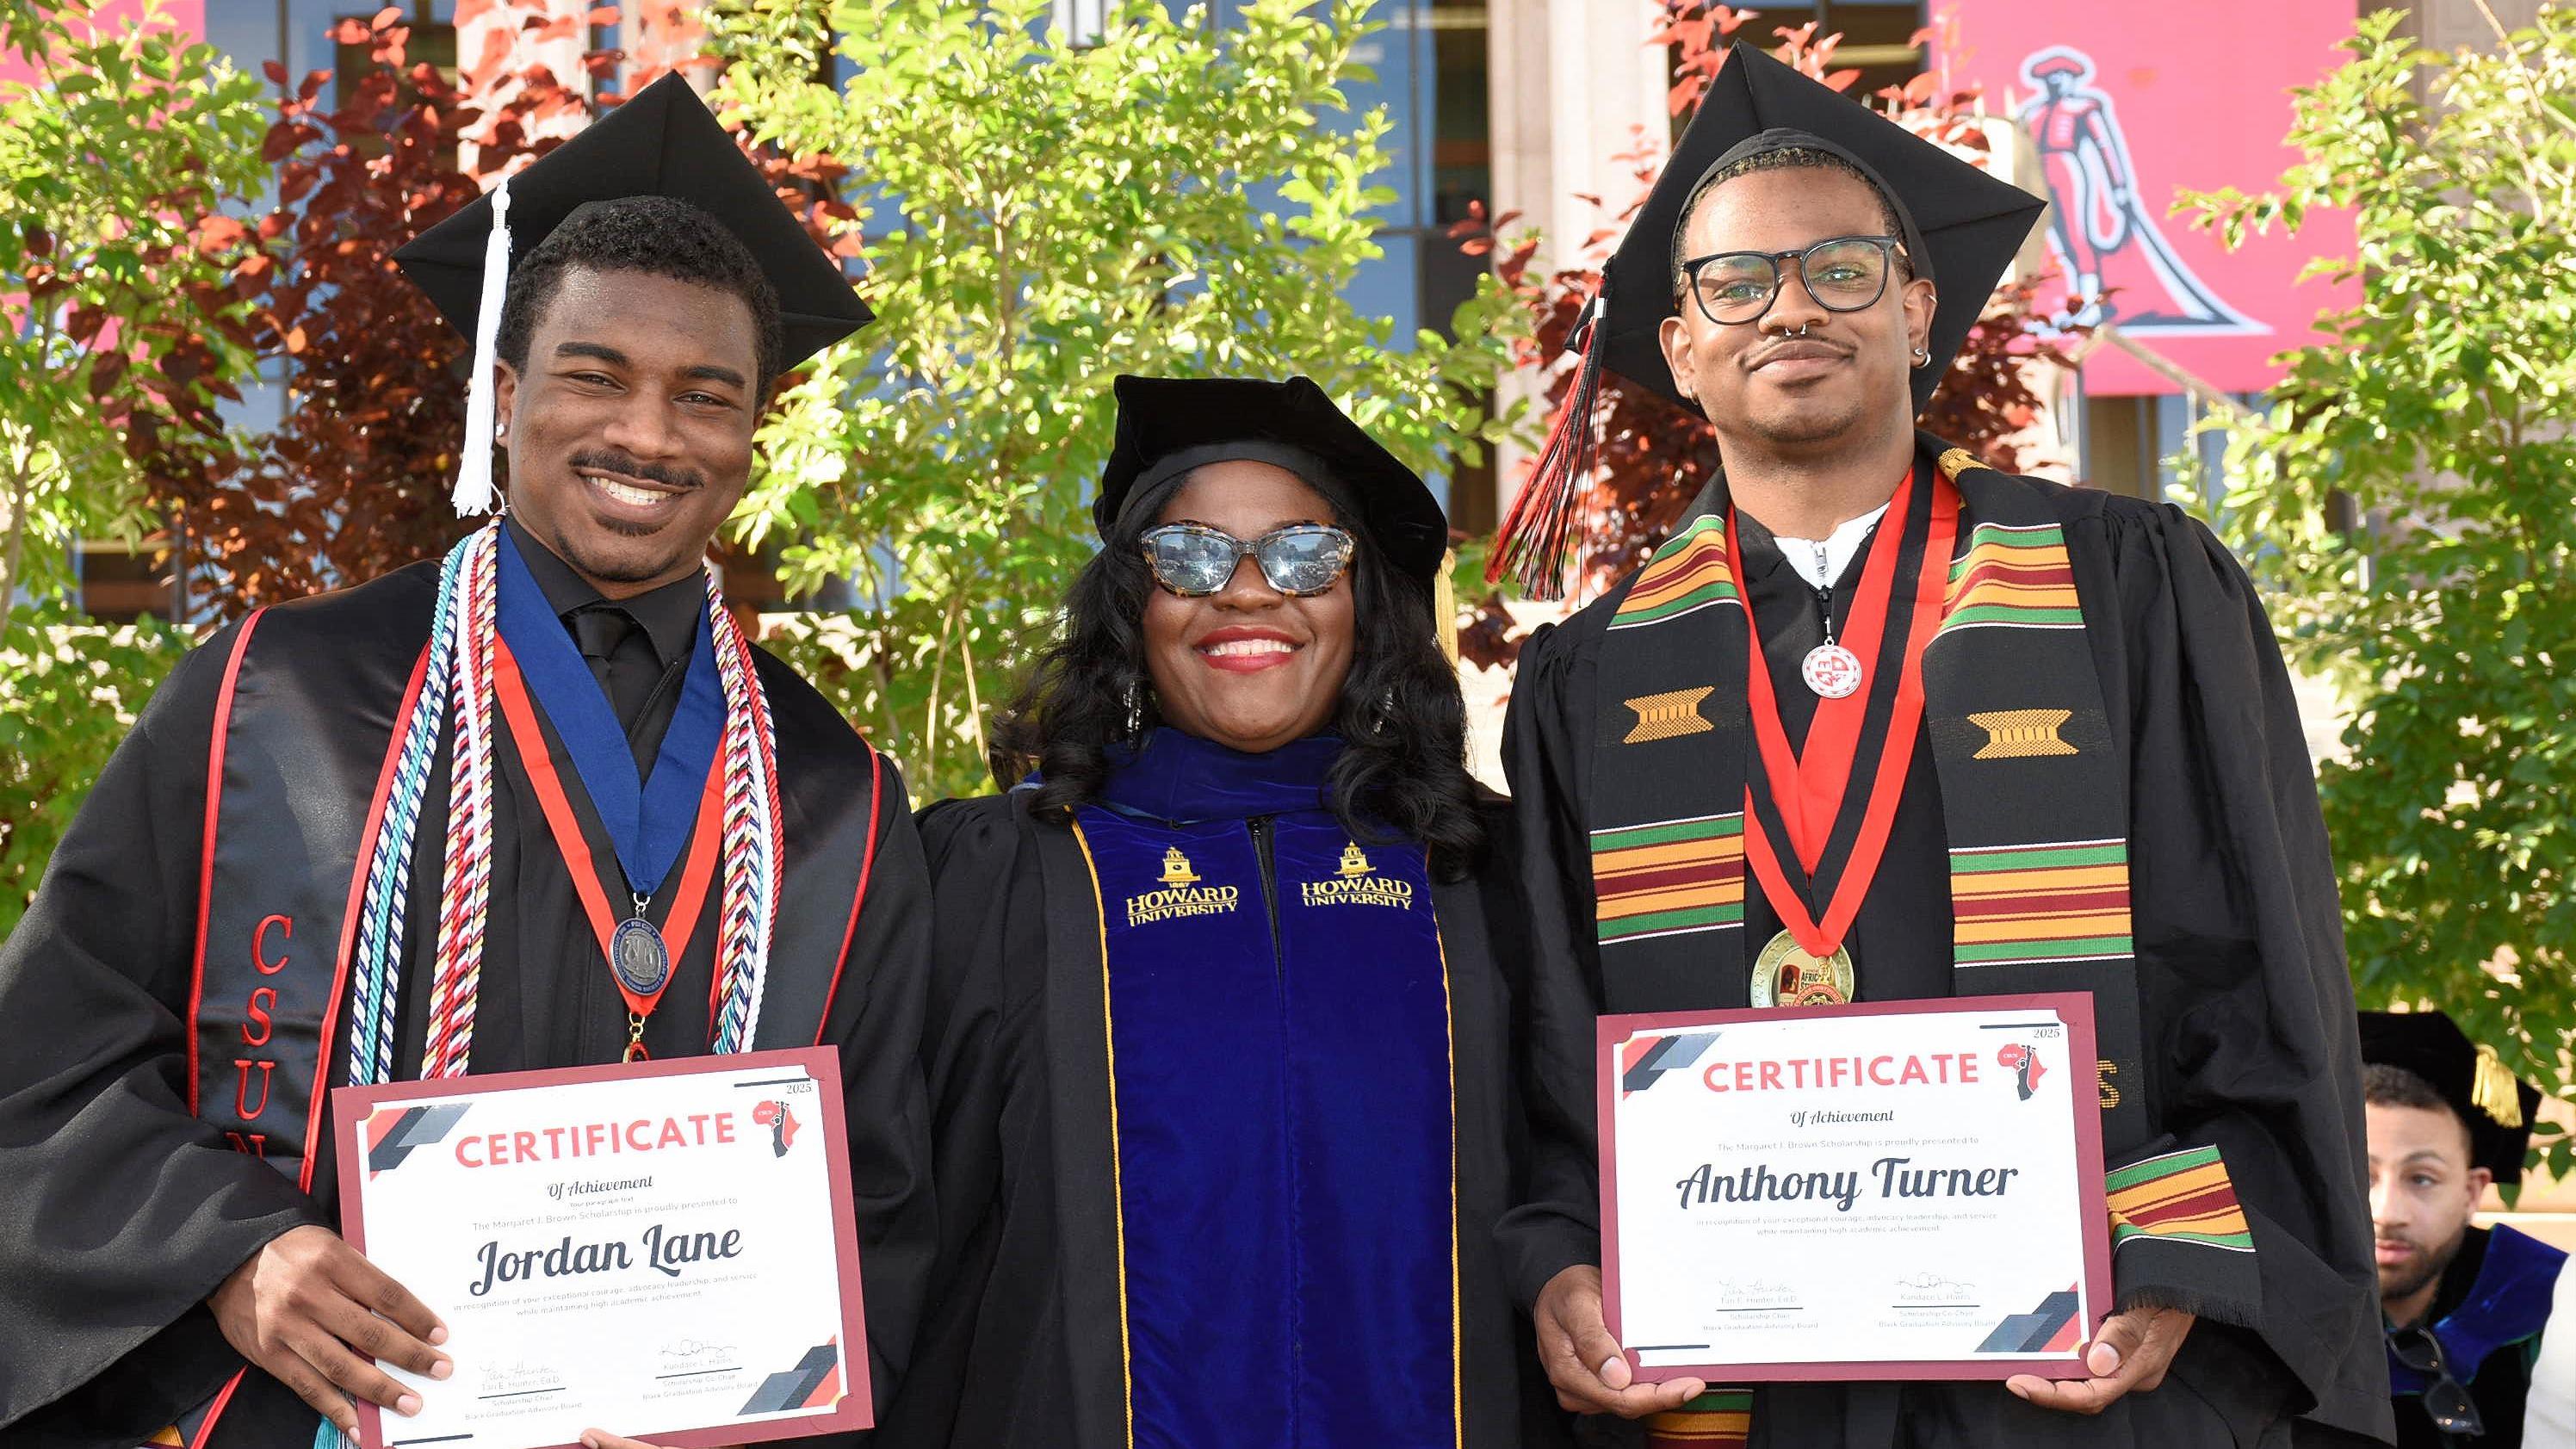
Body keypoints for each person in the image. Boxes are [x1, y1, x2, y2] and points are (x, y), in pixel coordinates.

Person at [0, 74, 933, 1447]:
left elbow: (887, 1202)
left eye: (706, 394)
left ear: (752, 433)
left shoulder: (833, 794)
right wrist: (231, 1254)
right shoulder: (280, 699)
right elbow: (44, 1062)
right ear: (505, 394)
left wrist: (746, 1384)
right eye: (595, 375)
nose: (650, 434)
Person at [1489, 43, 2389, 1447]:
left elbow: (2255, 977)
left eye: (1841, 269)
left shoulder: (2125, 589)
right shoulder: (1588, 676)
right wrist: (1559, 1265)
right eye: (1735, 284)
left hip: (2063, 1380)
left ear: (1917, 309)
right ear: (1679, 347)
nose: (1789, 308)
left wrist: (2173, 1272)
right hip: (1730, 1395)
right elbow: (1549, 1042)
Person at [880, 374, 1571, 1448]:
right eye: (1190, 557)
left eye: (1304, 557)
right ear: (1133, 607)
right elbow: (904, 1218)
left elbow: (1570, 1179)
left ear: (1362, 604)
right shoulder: (1007, 874)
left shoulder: (1482, 872)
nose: (1247, 591)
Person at [2360, 1011, 2575, 1446]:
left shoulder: (2553, 1303)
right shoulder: (2264, 1313)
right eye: (2360, 1176)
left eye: (2422, 1178)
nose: (2387, 1211)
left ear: (2471, 1191)